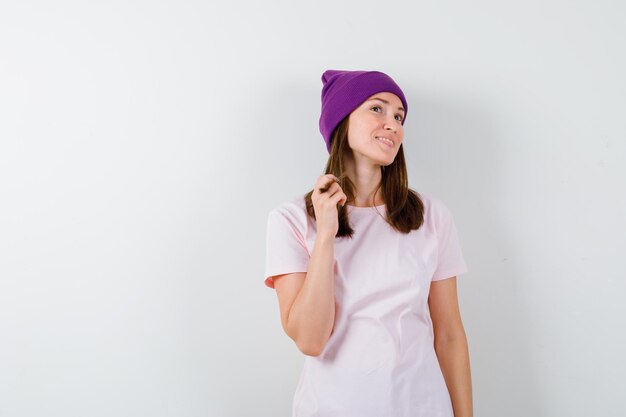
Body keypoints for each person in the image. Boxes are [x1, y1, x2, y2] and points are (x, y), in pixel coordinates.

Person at [264, 69, 473, 417]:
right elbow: (310, 340)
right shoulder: (291, 220)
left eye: (398, 116)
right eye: (377, 109)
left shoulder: (431, 216)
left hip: (422, 407)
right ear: (342, 122)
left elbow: (449, 334)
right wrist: (327, 233)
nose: (392, 123)